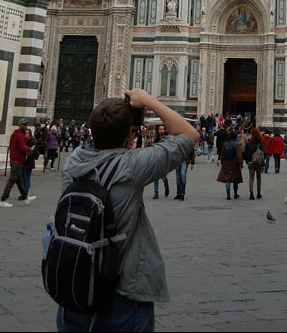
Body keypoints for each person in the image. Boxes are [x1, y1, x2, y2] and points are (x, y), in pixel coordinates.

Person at [56, 90, 198, 333]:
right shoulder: (132, 166)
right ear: (130, 134)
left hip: (75, 288)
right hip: (122, 295)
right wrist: (148, 100)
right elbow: (189, 135)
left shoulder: (73, 163)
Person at [0, 118, 36, 207]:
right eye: (24, 125)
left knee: (20, 181)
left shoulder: (14, 134)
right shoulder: (20, 135)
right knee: (12, 180)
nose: (26, 126)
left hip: (15, 159)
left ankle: (25, 197)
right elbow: (22, 148)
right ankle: (3, 199)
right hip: (17, 160)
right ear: (20, 125)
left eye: (26, 125)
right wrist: (29, 149)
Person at [217, 127, 243, 199]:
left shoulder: (225, 144)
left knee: (227, 179)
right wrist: (240, 163)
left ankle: (228, 194)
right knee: (235, 179)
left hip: (226, 163)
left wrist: (222, 161)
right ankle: (235, 193)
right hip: (234, 164)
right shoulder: (236, 144)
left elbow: (222, 154)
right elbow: (239, 155)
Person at [245, 127, 264, 200]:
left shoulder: (248, 143)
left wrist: (247, 161)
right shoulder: (260, 143)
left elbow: (246, 153)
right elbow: (263, 153)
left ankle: (251, 193)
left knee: (251, 178)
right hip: (258, 162)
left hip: (250, 162)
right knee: (258, 177)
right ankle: (258, 193)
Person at [152, 125, 170, 199]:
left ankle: (166, 185)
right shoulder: (156, 139)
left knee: (163, 177)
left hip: (164, 160)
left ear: (164, 130)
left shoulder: (167, 139)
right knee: (155, 177)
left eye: (162, 129)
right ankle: (156, 193)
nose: (161, 131)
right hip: (157, 159)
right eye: (160, 129)